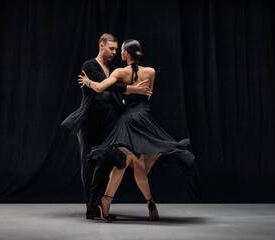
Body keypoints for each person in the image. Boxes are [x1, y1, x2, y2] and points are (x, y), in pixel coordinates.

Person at [78, 39, 195, 222]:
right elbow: (147, 97)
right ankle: (149, 202)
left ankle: (105, 204)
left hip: (128, 119)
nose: (118, 53)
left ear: (126, 53)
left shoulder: (119, 71)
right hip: (144, 118)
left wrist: (88, 81)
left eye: (120, 50)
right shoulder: (151, 72)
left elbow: (100, 87)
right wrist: (132, 95)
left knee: (122, 162)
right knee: (138, 163)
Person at [61, 34, 152, 219]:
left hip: (108, 119)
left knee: (105, 160)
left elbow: (111, 92)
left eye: (116, 49)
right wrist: (133, 89)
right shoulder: (89, 66)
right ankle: (91, 208)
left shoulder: (111, 69)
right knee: (89, 162)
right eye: (111, 49)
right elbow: (105, 87)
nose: (114, 52)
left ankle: (97, 204)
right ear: (101, 45)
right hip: (89, 119)